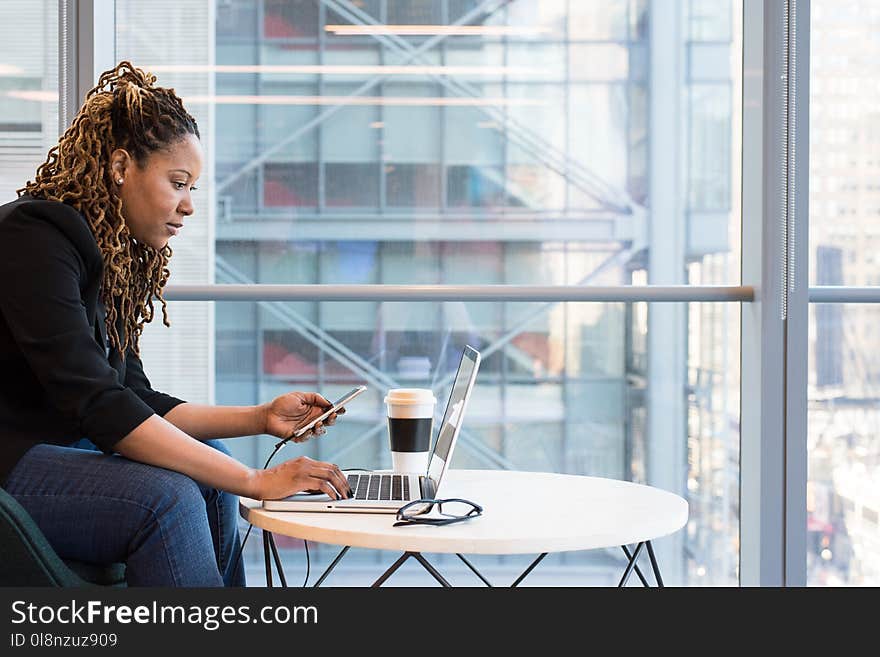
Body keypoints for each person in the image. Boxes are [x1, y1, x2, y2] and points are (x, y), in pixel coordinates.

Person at [0, 61, 352, 587]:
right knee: (168, 498)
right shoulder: (35, 237)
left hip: (54, 452)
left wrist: (260, 417)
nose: (189, 206)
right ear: (121, 167)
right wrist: (256, 480)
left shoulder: (107, 256)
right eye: (178, 183)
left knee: (211, 466)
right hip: (11, 462)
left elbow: (133, 399)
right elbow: (100, 406)